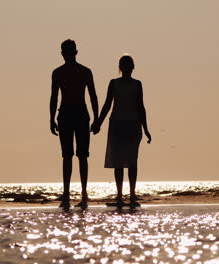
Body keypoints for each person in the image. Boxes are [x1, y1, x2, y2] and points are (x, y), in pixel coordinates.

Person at [93, 55, 151, 208]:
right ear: (121, 68)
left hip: (132, 125)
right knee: (118, 162)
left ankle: (131, 195)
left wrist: (146, 128)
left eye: (129, 66)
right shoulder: (114, 83)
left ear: (132, 67)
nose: (127, 69)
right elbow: (107, 105)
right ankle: (120, 196)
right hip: (117, 125)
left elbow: (141, 107)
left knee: (132, 161)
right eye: (125, 66)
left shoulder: (137, 84)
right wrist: (98, 122)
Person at [50, 39, 99, 209]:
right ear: (62, 54)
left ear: (75, 53)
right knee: (68, 155)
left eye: (70, 52)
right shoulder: (58, 73)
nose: (68, 56)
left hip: (79, 114)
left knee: (82, 155)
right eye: (66, 53)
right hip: (66, 114)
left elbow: (93, 95)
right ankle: (66, 194)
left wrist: (97, 118)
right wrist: (51, 118)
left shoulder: (85, 72)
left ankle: (83, 194)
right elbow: (54, 97)